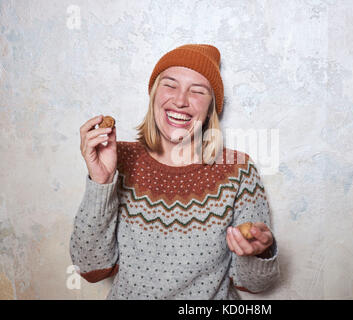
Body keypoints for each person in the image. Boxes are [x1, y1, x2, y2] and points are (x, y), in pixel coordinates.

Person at [70, 44, 280, 299]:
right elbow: (91, 268)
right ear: (154, 94)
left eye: (198, 91)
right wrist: (101, 182)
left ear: (211, 108)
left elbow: (254, 285)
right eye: (170, 85)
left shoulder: (238, 170)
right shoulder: (118, 158)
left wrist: (260, 251)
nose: (180, 101)